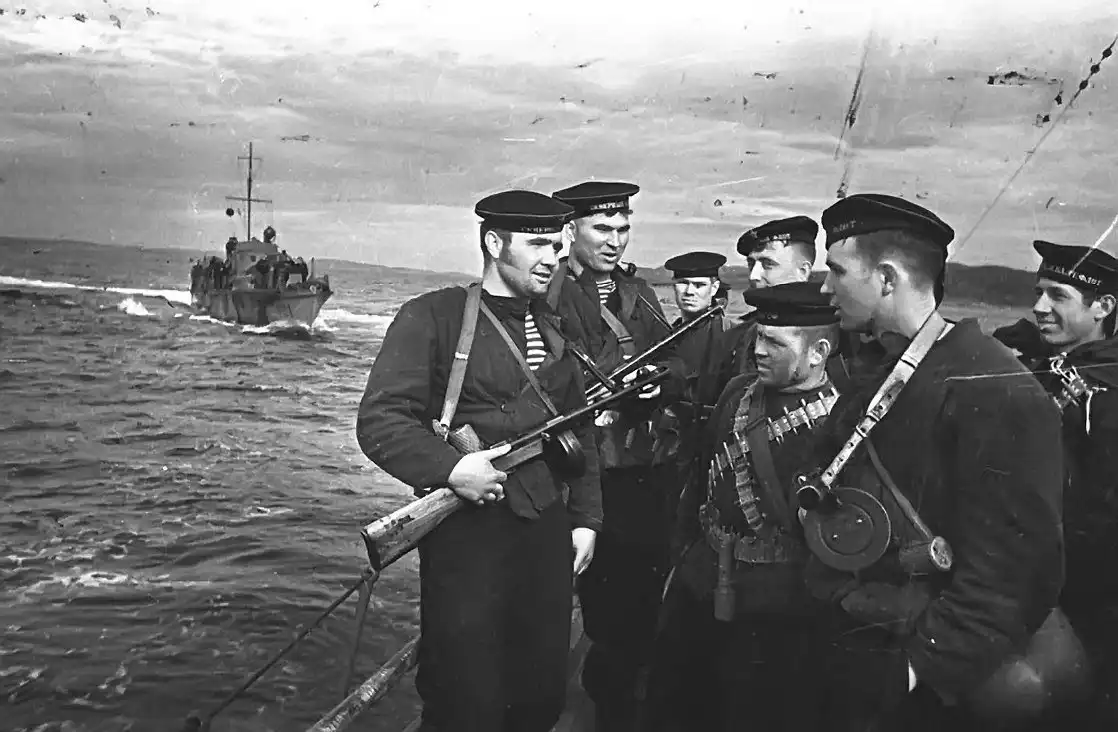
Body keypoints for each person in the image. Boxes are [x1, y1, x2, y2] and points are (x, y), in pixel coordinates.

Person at [801, 193, 1066, 731]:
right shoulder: (884, 366)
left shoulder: (995, 386)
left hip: (925, 683)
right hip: (858, 638)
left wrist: (910, 672)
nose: (825, 287)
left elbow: (1015, 572)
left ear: (887, 278)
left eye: (837, 270)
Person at [355, 190, 602, 732]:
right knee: (464, 700)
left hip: (546, 530)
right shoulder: (434, 317)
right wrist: (450, 469)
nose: (553, 257)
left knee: (540, 695)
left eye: (557, 245)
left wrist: (586, 518)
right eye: (537, 244)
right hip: (467, 540)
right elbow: (380, 420)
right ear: (494, 243)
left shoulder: (556, 327)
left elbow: (579, 427)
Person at [645, 281, 843, 732]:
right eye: (758, 337)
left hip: (776, 605)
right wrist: (684, 562)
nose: (758, 350)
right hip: (701, 580)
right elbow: (698, 483)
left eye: (775, 342)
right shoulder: (737, 392)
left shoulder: (837, 422)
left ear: (818, 352)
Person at [545, 180, 681, 731]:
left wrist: (657, 383)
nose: (615, 240)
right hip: (579, 471)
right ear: (570, 230)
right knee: (593, 606)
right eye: (602, 228)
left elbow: (678, 361)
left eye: (623, 228)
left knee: (638, 603)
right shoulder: (549, 293)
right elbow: (539, 380)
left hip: (639, 471)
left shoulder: (638, 292)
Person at [993, 240, 1118, 727]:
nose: (1039, 307)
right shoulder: (1047, 366)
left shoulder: (1107, 390)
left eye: (1058, 296)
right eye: (1038, 293)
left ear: (1103, 307)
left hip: (1081, 595)